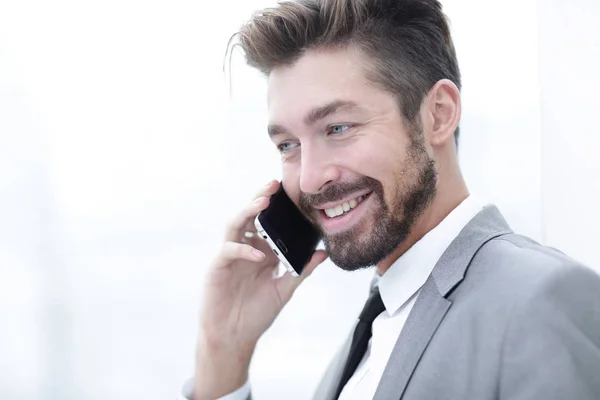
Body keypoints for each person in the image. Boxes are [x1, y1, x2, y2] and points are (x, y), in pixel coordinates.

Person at [181, 0, 600, 399]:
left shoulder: (540, 303)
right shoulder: (365, 343)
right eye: (288, 144)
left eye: (338, 128)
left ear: (437, 113)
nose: (309, 179)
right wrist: (224, 351)